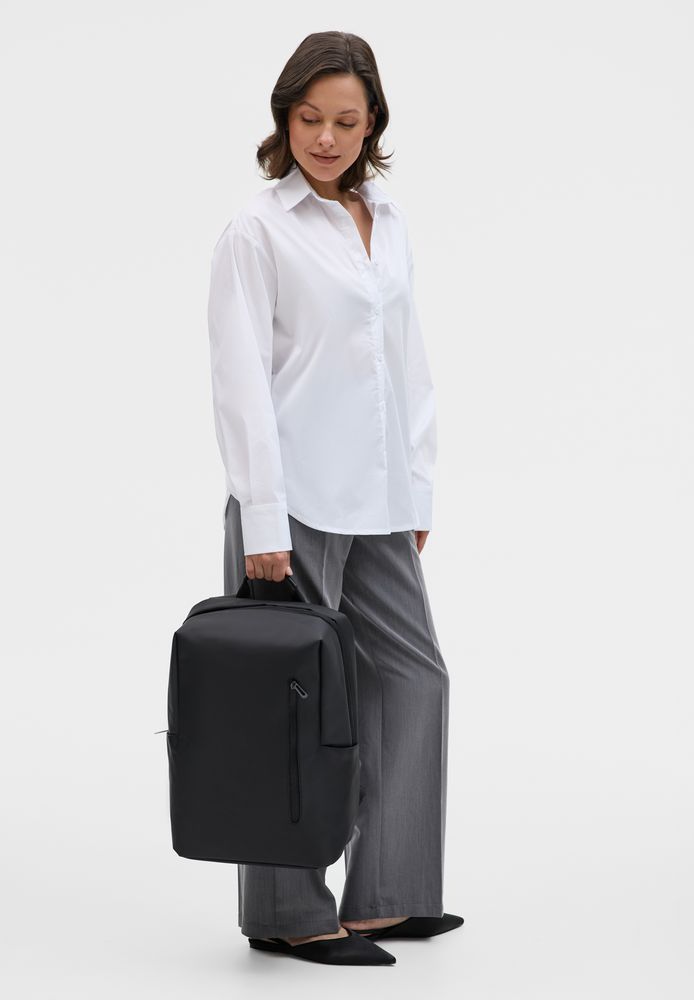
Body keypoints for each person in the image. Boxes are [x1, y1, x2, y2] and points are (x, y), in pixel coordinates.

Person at [208, 30, 463, 966]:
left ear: (372, 125)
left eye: (346, 121)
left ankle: (389, 894)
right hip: (293, 500)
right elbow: (240, 378)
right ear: (285, 120)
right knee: (290, 700)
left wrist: (417, 485)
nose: (325, 138)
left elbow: (407, 358)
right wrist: (261, 516)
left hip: (377, 495)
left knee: (414, 678)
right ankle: (287, 911)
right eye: (309, 118)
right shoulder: (257, 231)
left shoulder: (385, 219)